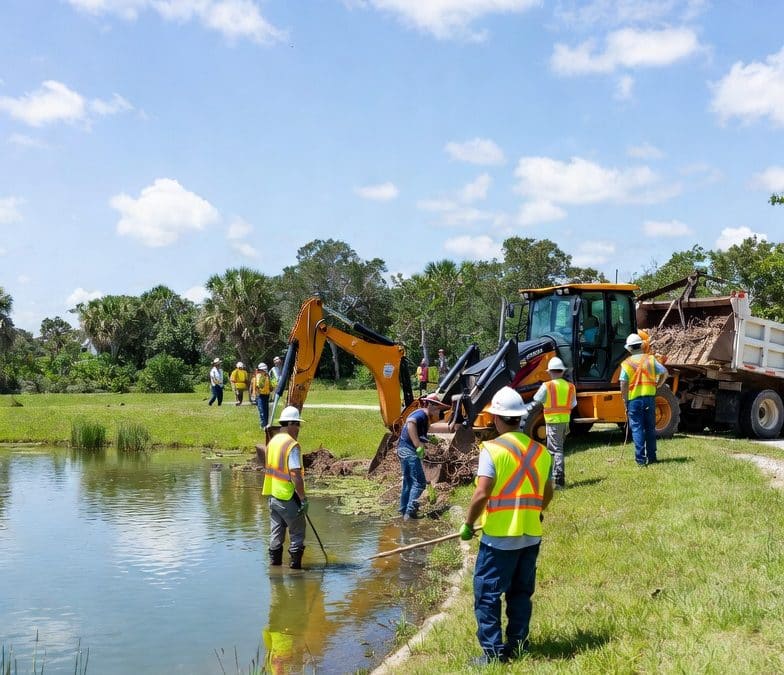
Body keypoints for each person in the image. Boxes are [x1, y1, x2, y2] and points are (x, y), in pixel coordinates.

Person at [459, 386, 553, 665]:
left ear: (497, 418)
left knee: (487, 595)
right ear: (520, 418)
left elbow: (482, 493)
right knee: (521, 593)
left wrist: (468, 523)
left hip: (499, 538)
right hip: (530, 536)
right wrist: (536, 511)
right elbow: (547, 493)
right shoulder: (540, 451)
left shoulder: (492, 450)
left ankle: (491, 654)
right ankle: (517, 645)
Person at [261, 406, 309, 569]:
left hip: (273, 496)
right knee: (297, 533)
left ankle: (274, 571)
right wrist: (303, 499)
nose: (299, 429)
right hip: (289, 497)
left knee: (276, 535)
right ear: (290, 424)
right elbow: (295, 474)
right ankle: (295, 573)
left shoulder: (273, 441)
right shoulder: (291, 445)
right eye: (297, 425)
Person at [397, 393, 450, 521]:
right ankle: (410, 513)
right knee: (420, 482)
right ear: (430, 405)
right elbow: (410, 423)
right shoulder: (421, 414)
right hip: (408, 450)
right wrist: (417, 444)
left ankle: (403, 510)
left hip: (403, 449)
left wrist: (451, 427)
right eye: (438, 410)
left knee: (408, 482)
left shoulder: (425, 419)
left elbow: (432, 428)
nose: (440, 414)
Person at [620, 333, 668, 466]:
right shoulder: (651, 360)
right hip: (649, 399)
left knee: (637, 429)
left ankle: (640, 460)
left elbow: (623, 383)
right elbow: (665, 372)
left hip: (634, 400)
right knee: (650, 429)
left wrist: (625, 399)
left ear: (629, 348)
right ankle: (652, 457)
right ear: (641, 345)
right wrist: (658, 385)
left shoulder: (627, 363)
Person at [532, 357, 576, 488]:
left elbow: (537, 400)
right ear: (562, 372)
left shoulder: (547, 386)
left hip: (552, 422)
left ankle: (558, 480)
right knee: (558, 448)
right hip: (565, 422)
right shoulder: (570, 387)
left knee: (556, 450)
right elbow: (573, 404)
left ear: (550, 372)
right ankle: (555, 478)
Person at [252, 362, 272, 428]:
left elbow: (270, 385)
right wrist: (255, 396)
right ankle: (263, 425)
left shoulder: (267, 376)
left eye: (265, 369)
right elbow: (257, 386)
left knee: (266, 410)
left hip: (267, 395)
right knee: (262, 411)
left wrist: (271, 388)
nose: (264, 371)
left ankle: (266, 424)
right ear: (260, 370)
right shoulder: (257, 376)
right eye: (263, 369)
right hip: (260, 396)